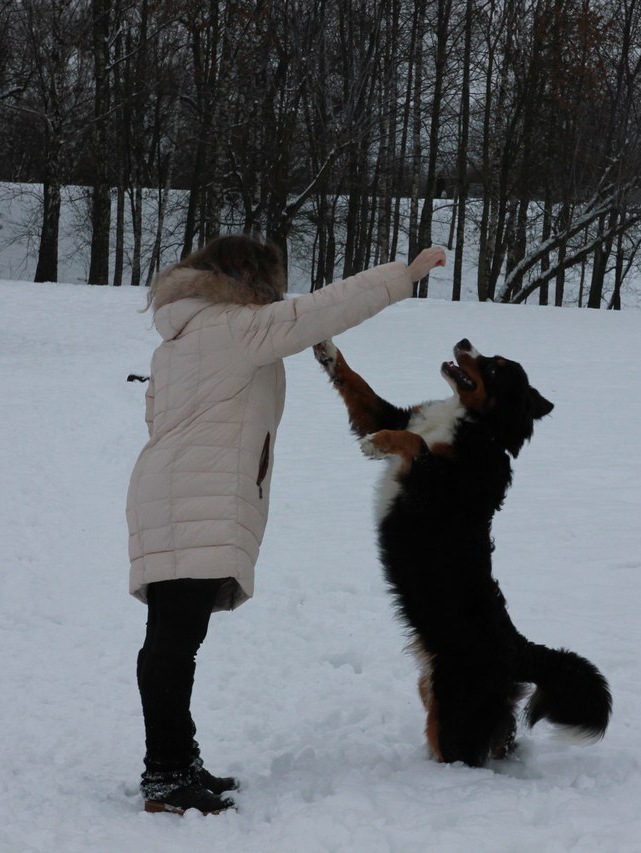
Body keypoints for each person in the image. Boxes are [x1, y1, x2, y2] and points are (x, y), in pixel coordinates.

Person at [127, 233, 446, 815]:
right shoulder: (236, 326)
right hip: (194, 496)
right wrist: (405, 274)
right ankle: (168, 777)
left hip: (171, 492)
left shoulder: (183, 335)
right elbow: (322, 309)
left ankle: (177, 762)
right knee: (174, 641)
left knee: (174, 636)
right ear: (250, 283)